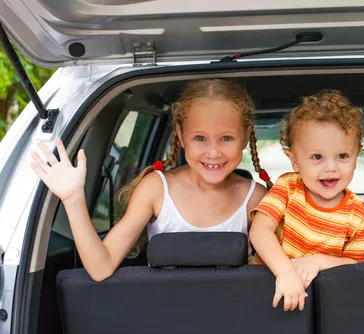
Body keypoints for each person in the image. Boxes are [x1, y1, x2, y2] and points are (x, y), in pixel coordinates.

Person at [31, 78, 270, 281]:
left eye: (226, 138)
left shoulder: (255, 198)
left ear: (246, 136)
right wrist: (73, 199)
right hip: (161, 322)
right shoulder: (156, 189)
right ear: (181, 135)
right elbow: (101, 268)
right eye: (200, 138)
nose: (213, 152)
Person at [249, 90, 364, 312]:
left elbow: (357, 267)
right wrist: (286, 272)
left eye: (343, 156)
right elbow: (260, 231)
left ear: (357, 156)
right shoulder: (287, 188)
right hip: (267, 296)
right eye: (317, 157)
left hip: (326, 306)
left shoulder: (360, 213)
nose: (331, 167)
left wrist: (319, 261)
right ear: (295, 161)